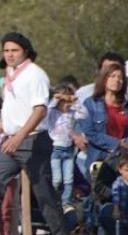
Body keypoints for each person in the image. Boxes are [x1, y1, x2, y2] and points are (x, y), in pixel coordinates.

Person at [0, 32, 67, 235]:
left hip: (32, 139)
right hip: (10, 141)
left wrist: (19, 136)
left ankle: (61, 232)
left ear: (25, 51)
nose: (9, 54)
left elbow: (40, 110)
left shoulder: (35, 74)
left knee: (43, 194)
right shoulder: (11, 73)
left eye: (14, 50)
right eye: (6, 50)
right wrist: (3, 129)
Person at [79, 62, 128, 174]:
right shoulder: (90, 104)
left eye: (120, 77)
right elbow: (90, 133)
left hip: (123, 162)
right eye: (112, 76)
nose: (117, 80)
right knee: (97, 190)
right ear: (104, 79)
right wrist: (117, 143)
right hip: (98, 160)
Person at [47, 82, 78, 211]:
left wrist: (74, 100)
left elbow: (83, 113)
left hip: (69, 149)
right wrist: (58, 97)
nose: (66, 105)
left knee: (68, 178)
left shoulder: (72, 113)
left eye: (68, 102)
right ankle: (54, 199)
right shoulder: (53, 112)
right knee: (57, 179)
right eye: (63, 102)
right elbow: (48, 107)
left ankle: (66, 201)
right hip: (56, 149)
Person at [112, 153, 128, 232]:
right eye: (126, 170)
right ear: (120, 170)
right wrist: (116, 209)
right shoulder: (118, 183)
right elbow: (116, 197)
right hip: (121, 218)